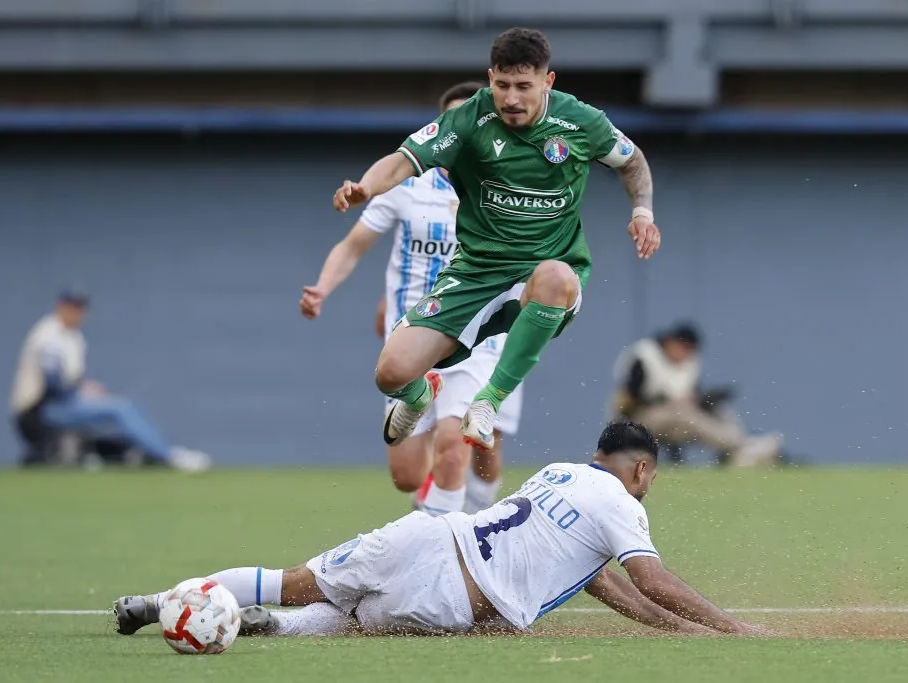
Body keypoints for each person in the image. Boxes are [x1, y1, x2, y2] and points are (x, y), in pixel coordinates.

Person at [302, 27, 661, 453]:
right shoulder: (470, 119)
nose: (511, 98)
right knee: (391, 372)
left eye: (524, 86)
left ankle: (488, 402)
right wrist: (366, 188)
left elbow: (632, 160)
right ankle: (420, 395)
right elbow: (403, 161)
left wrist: (642, 211)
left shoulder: (581, 122)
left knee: (555, 276)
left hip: (546, 274)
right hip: (477, 272)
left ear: (548, 81)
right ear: (491, 77)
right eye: (502, 85)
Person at [113, 421, 770, 638]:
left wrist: (677, 628)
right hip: (456, 593)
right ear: (643, 468)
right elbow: (647, 578)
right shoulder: (624, 502)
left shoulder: (558, 473)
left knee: (296, 581)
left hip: (427, 534)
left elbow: (595, 576)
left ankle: (163, 600)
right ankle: (269, 627)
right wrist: (729, 627)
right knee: (360, 622)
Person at [300, 82, 522, 515]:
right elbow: (352, 246)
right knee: (407, 472)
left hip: (476, 335)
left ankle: (458, 546)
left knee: (461, 448)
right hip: (415, 335)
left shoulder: (507, 188)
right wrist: (322, 288)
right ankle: (448, 518)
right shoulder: (410, 187)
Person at [9, 287, 211, 471]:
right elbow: (53, 383)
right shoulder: (49, 334)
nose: (78, 312)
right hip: (38, 412)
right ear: (60, 307)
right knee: (121, 409)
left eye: (81, 308)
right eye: (73, 307)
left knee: (124, 407)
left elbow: (67, 379)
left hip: (56, 405)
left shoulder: (71, 335)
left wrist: (84, 388)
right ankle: (169, 456)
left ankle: (152, 451)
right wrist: (79, 393)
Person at [610, 323, 783, 467]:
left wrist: (704, 400)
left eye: (690, 350)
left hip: (675, 420)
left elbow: (691, 394)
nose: (686, 354)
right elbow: (628, 400)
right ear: (671, 342)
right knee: (685, 414)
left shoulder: (689, 362)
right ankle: (741, 447)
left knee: (719, 412)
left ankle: (740, 448)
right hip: (635, 420)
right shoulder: (645, 355)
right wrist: (669, 401)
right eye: (683, 348)